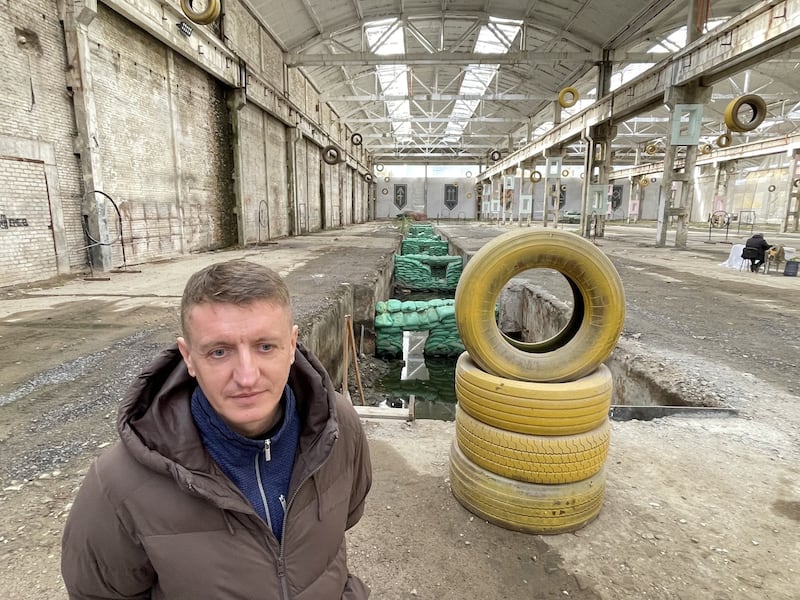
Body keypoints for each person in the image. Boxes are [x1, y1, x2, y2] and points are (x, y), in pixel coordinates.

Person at [61, 260, 372, 599]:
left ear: (292, 345)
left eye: (265, 346)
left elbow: (345, 520)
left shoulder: (339, 427)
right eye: (219, 352)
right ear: (189, 357)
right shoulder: (119, 483)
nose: (247, 377)